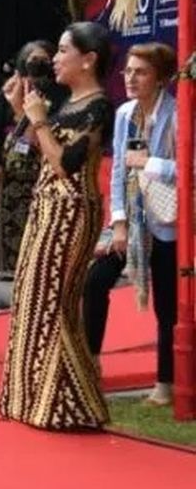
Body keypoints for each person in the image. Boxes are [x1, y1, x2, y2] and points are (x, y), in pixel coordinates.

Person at [0, 22, 116, 430]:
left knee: (53, 303)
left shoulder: (98, 106)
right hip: (45, 208)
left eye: (64, 50)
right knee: (31, 299)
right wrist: (23, 115)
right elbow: (32, 154)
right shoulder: (68, 101)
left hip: (70, 212)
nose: (56, 58)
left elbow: (66, 165)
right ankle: (32, 399)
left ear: (88, 60)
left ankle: (71, 402)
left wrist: (40, 121)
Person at [83, 42, 179, 407]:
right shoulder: (124, 114)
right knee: (96, 281)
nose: (131, 78)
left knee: (167, 308)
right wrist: (119, 222)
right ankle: (91, 364)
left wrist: (151, 163)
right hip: (133, 223)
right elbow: (120, 170)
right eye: (127, 71)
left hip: (167, 223)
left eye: (140, 72)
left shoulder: (178, 112)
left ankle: (165, 383)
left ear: (160, 78)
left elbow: (190, 169)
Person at [0, 41, 64, 280]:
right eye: (33, 59)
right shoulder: (10, 90)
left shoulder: (59, 90)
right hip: (11, 169)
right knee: (8, 218)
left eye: (43, 59)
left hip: (43, 165)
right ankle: (8, 267)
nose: (38, 64)